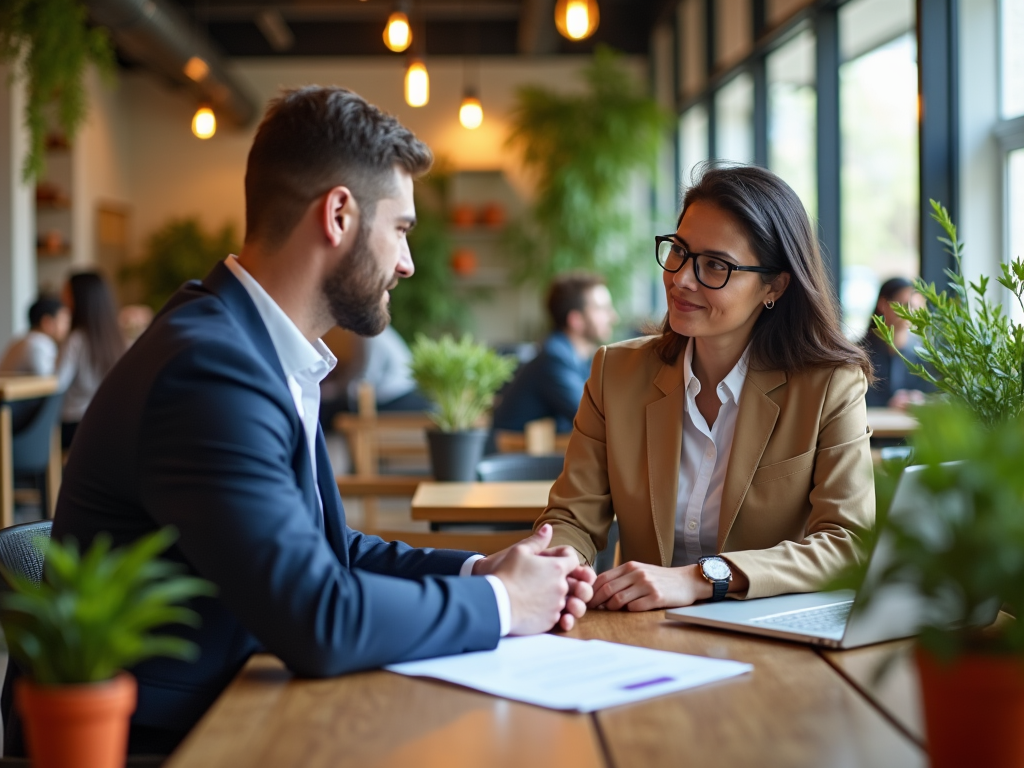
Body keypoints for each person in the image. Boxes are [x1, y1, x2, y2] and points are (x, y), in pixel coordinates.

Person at [36, 87, 594, 756]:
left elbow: (330, 551)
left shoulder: (246, 344)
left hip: (242, 704)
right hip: (171, 743)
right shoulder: (210, 369)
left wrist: (480, 572)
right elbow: (319, 618)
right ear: (338, 214)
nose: (408, 263)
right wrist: (506, 605)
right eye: (402, 229)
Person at [535, 164, 876, 612]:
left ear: (773, 286)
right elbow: (573, 517)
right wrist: (562, 566)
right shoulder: (614, 373)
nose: (681, 278)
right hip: (642, 631)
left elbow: (848, 543)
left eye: (715, 265)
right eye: (678, 251)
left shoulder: (829, 385)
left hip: (768, 634)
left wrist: (701, 579)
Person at [492, 273, 618, 435]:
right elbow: (595, 417)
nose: (613, 317)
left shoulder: (577, 358)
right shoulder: (554, 358)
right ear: (576, 320)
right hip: (512, 456)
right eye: (603, 309)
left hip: (537, 452)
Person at [56, 272, 126, 448]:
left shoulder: (76, 340)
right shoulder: (117, 339)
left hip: (75, 426)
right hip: (111, 424)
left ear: (79, 299)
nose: (62, 299)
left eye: (66, 294)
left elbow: (56, 385)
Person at [859, 277, 930, 409]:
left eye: (914, 307)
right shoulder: (859, 353)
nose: (910, 313)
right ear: (883, 304)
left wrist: (919, 399)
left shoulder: (924, 353)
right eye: (903, 305)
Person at [0, 295, 69, 375]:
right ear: (47, 323)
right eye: (64, 322)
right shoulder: (38, 345)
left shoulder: (23, 340)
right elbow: (50, 381)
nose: (67, 328)